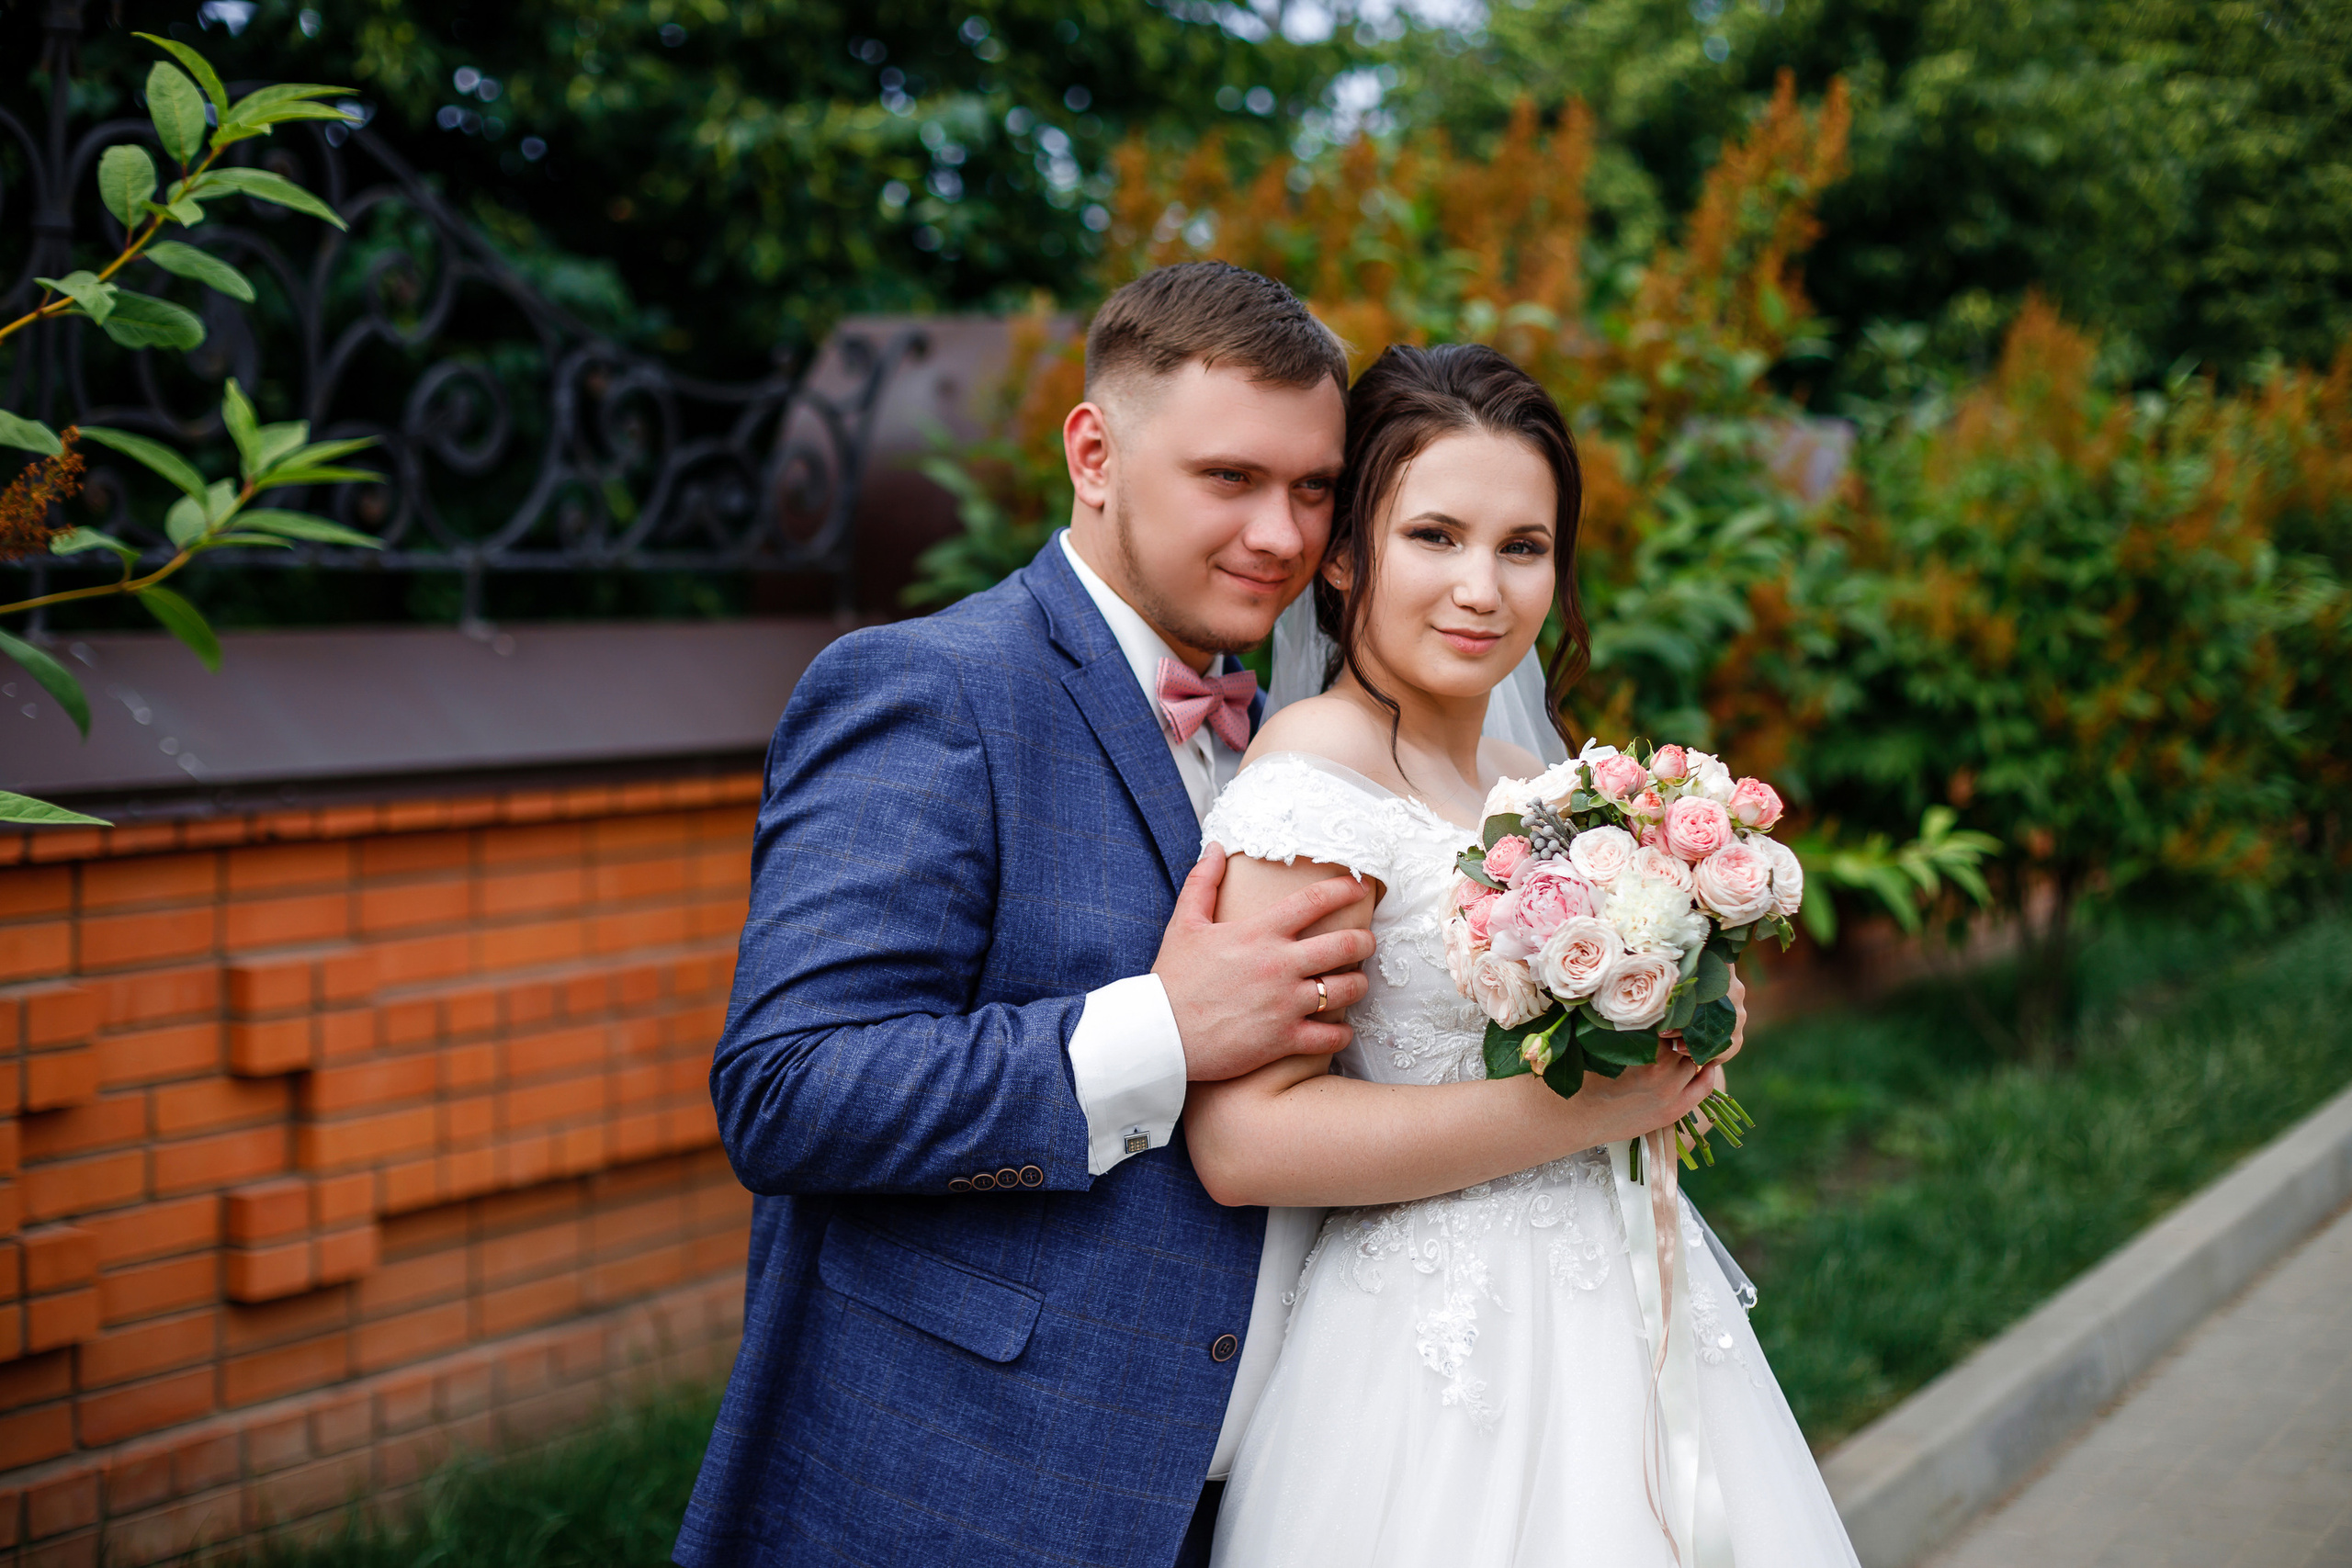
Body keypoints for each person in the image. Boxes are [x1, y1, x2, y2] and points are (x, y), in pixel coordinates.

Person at [674, 261, 1385, 1567]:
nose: (1283, 536)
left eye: (1313, 488)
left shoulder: (1300, 742)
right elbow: (787, 1089)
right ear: (1095, 453)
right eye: (1229, 478)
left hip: (1263, 1495)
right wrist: (1162, 1033)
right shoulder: (931, 688)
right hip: (974, 1493)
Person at [1187, 342, 1860, 1565]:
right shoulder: (1311, 780)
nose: (1481, 589)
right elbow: (1245, 1143)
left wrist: (1679, 1013)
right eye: (1434, 536)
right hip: (1435, 1353)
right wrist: (1587, 1110)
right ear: (1344, 557)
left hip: (1626, 1305)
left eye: (1523, 547)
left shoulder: (1538, 783)